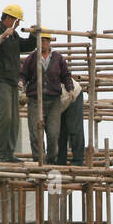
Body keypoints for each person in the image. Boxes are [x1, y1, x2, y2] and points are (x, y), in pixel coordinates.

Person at [0, 4, 38, 162]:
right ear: (8, 18)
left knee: (14, 119)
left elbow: (27, 46)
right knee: (4, 117)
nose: (17, 25)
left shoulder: (14, 36)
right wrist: (3, 36)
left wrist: (34, 36)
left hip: (12, 81)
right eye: (16, 21)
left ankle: (8, 153)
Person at [20, 31, 73, 164]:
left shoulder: (58, 58)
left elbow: (66, 75)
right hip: (35, 100)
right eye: (41, 40)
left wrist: (70, 89)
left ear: (49, 42)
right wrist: (21, 82)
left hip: (53, 100)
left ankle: (51, 160)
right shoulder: (31, 58)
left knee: (53, 133)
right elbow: (23, 74)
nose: (43, 43)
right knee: (35, 133)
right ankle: (39, 160)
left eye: (45, 40)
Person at [54, 85, 86, 167]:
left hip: (73, 94)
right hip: (58, 100)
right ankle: (60, 161)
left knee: (74, 129)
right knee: (58, 131)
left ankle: (78, 161)